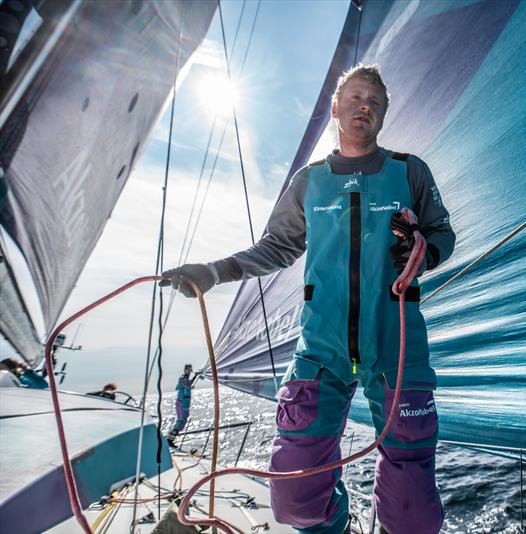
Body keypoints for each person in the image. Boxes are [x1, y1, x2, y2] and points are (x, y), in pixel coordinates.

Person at [164, 64, 455, 534]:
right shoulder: (309, 181)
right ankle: (336, 523)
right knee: (296, 496)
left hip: (398, 348)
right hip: (321, 350)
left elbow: (442, 233)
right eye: (357, 97)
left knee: (415, 516)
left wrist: (423, 251)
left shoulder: (410, 171)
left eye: (376, 102)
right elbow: (275, 248)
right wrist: (214, 271)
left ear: (383, 115)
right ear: (336, 107)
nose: (366, 106)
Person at [167, 364, 200, 445]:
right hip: (182, 402)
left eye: (190, 369)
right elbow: (187, 384)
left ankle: (170, 438)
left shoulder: (185, 379)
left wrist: (195, 377)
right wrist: (196, 376)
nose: (189, 371)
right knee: (182, 421)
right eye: (188, 369)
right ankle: (169, 440)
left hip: (184, 402)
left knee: (181, 420)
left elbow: (187, 385)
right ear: (185, 370)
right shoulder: (183, 378)